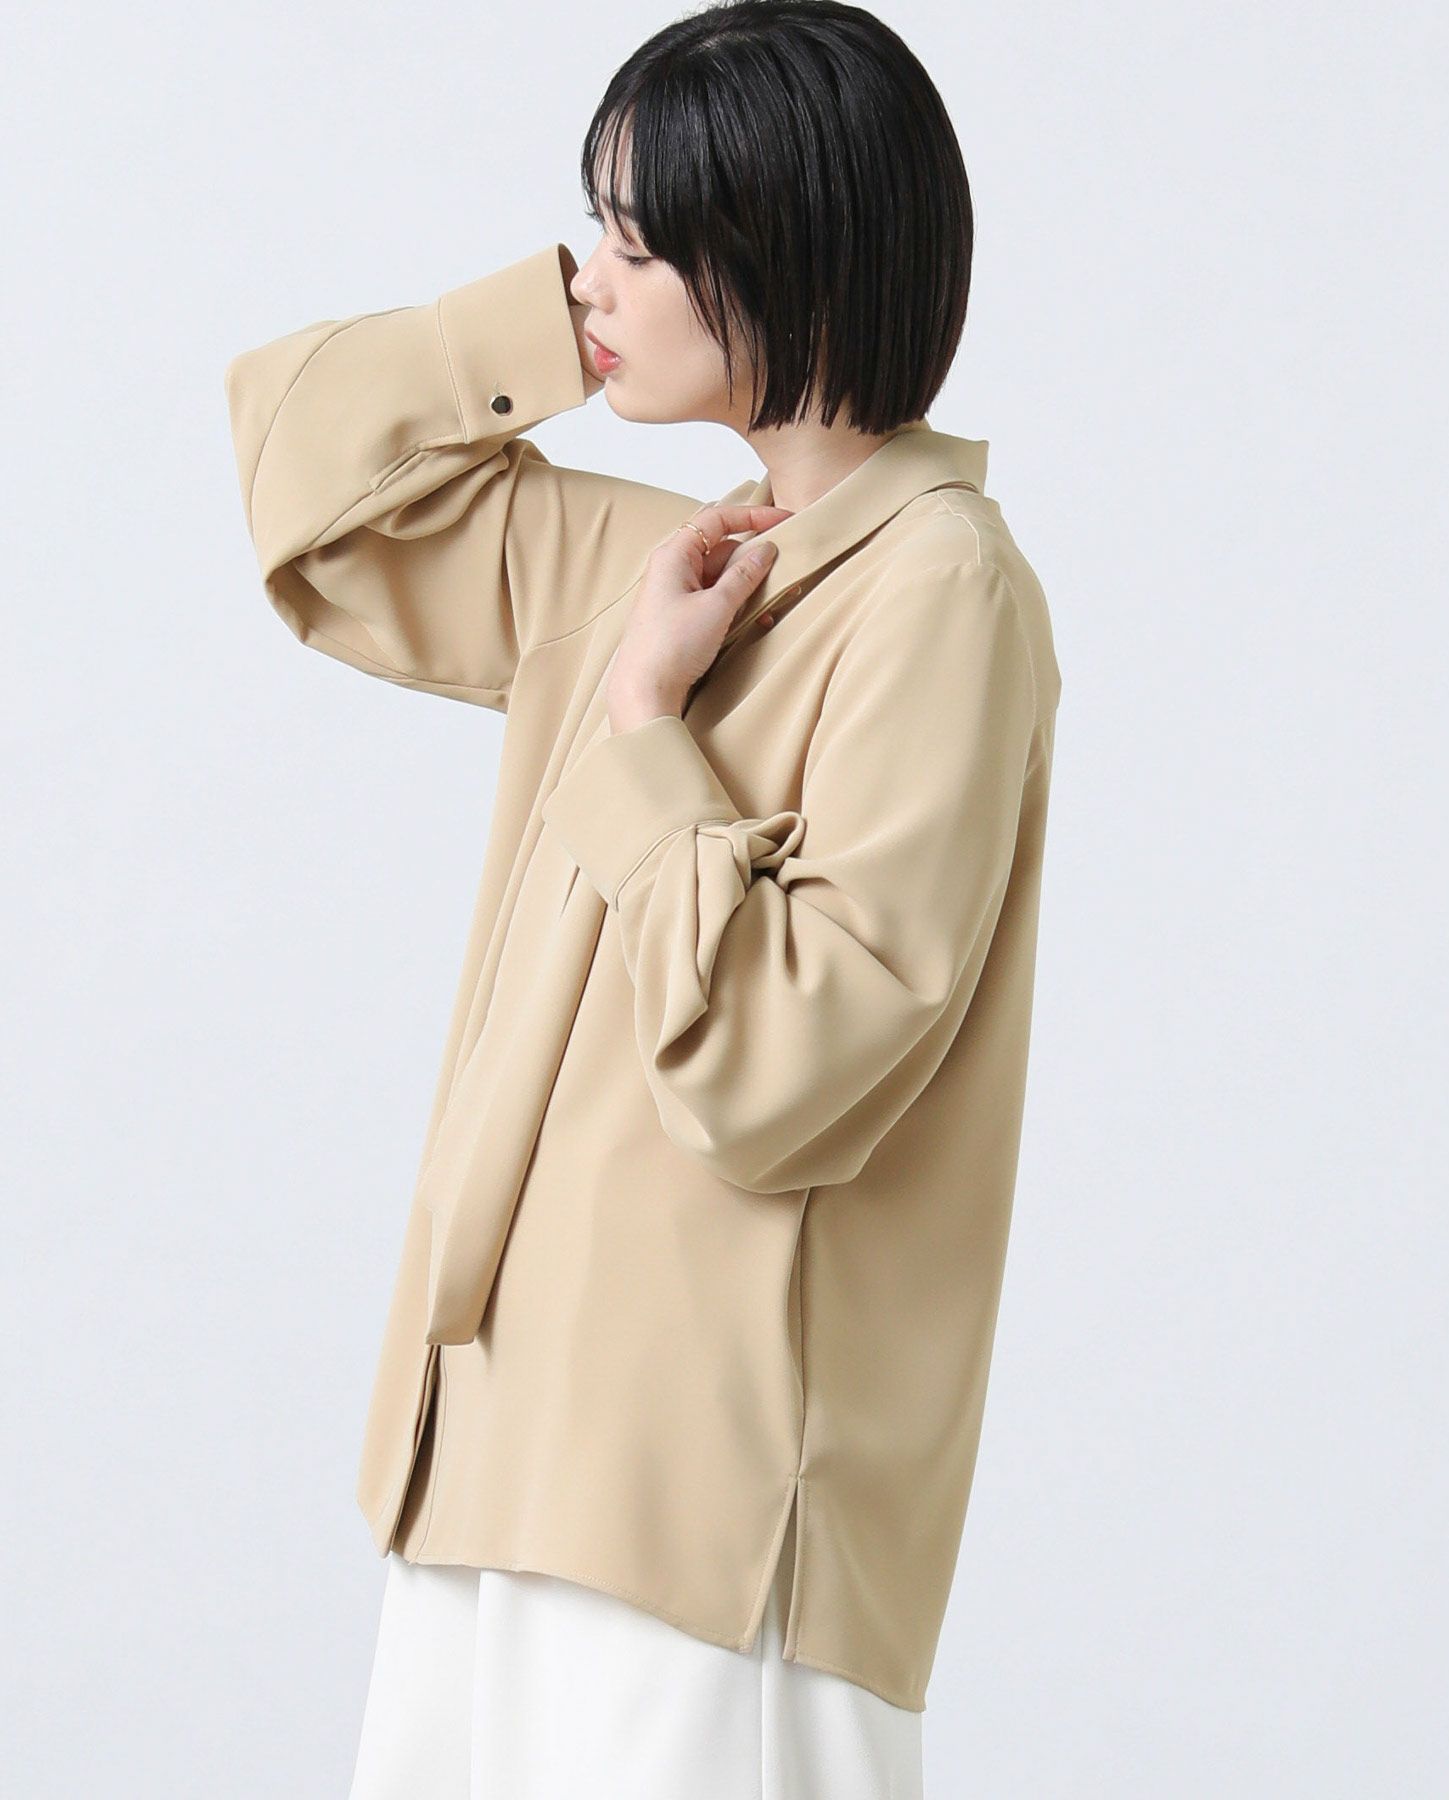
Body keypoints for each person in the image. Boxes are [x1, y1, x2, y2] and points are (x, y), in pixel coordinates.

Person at [222, 2, 1061, 1794]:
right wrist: (545, 331)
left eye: (634, 240)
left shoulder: (940, 589)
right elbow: (308, 482)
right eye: (590, 228)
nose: (591, 275)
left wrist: (642, 729)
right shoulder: (667, 565)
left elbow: (781, 1067)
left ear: (779, 253)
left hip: (708, 1520)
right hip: (488, 1460)